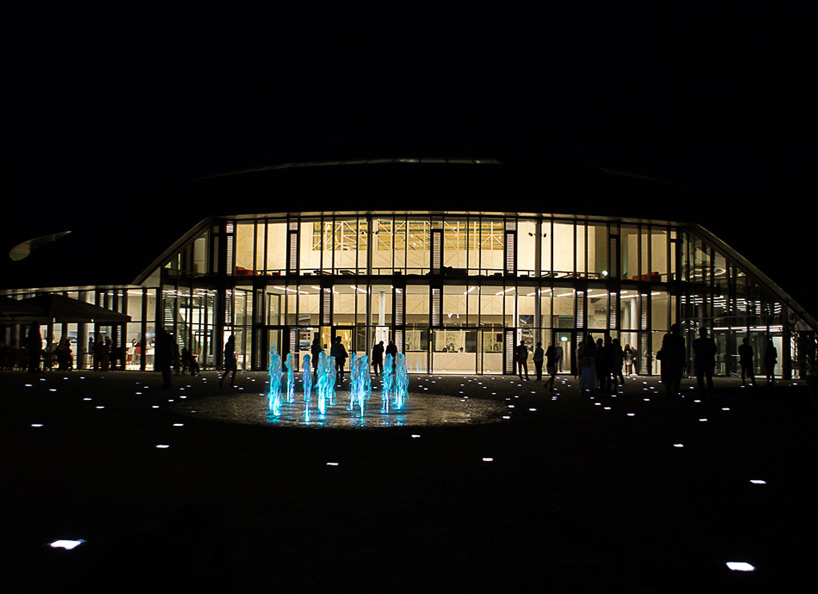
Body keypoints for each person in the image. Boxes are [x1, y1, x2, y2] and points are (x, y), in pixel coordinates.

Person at [658, 323, 686, 397]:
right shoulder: (681, 339)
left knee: (669, 377)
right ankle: (675, 392)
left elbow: (665, 348)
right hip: (677, 360)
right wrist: (683, 361)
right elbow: (682, 351)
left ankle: (669, 391)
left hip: (670, 360)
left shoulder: (668, 338)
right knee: (677, 378)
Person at [692, 327, 717, 397]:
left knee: (700, 378)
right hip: (708, 361)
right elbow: (714, 350)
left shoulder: (696, 342)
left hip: (700, 361)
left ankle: (701, 392)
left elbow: (696, 351)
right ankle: (710, 392)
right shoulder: (710, 341)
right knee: (709, 378)